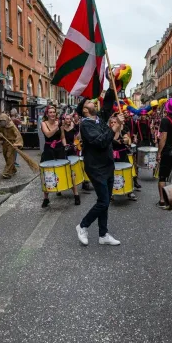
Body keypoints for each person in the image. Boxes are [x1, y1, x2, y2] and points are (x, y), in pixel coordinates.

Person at [75, 88, 122, 246]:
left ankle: (103, 234)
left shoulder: (98, 119)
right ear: (85, 110)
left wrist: (112, 84)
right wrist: (114, 128)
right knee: (103, 201)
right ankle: (82, 226)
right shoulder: (85, 125)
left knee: (106, 200)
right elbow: (101, 142)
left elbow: (108, 104)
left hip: (107, 165)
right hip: (96, 167)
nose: (93, 101)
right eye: (89, 101)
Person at [41, 105, 80, 207]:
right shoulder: (44, 123)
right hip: (49, 150)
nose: (52, 114)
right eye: (50, 112)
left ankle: (76, 195)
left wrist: (65, 145)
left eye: (54, 112)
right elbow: (48, 134)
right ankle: (46, 198)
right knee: (47, 173)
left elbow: (62, 137)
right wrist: (57, 127)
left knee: (68, 170)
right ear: (47, 114)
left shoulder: (60, 123)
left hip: (59, 149)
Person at [109, 115, 137, 201]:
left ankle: (129, 191)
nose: (113, 124)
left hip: (122, 155)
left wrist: (122, 140)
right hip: (111, 156)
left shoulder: (122, 131)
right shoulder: (108, 133)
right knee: (110, 174)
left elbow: (127, 139)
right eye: (112, 122)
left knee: (127, 172)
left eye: (115, 122)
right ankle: (111, 193)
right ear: (109, 124)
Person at [0, 113, 23, 179]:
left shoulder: (12, 126)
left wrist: (17, 144)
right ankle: (13, 169)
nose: (2, 123)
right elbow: (0, 134)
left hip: (12, 143)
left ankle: (7, 172)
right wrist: (0, 135)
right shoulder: (1, 127)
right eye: (1, 121)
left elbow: (18, 135)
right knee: (6, 156)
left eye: (3, 121)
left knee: (10, 156)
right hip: (5, 143)